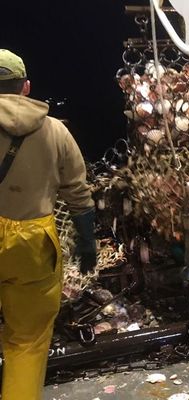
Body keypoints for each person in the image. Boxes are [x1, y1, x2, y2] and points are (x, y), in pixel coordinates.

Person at [0, 49, 96, 399]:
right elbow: (78, 193)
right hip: (33, 243)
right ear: (25, 87)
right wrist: (88, 244)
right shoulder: (54, 130)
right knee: (26, 342)